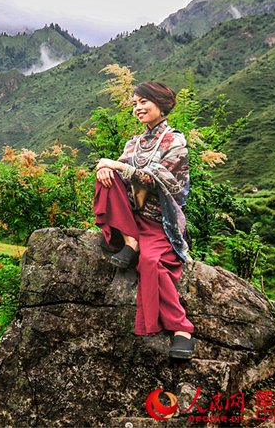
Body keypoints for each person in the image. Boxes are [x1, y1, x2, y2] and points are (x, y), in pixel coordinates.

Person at [92, 81, 196, 359]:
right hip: (132, 218)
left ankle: (181, 329)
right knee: (107, 175)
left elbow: (159, 180)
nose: (137, 108)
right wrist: (106, 168)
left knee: (152, 263)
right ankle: (130, 241)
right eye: (135, 103)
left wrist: (115, 165)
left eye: (143, 102)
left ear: (160, 103)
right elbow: (121, 175)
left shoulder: (176, 142)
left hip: (160, 221)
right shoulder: (134, 142)